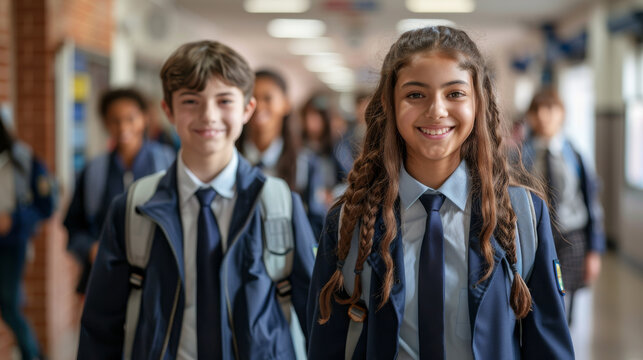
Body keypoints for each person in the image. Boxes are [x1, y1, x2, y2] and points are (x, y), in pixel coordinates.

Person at [306, 26, 574, 359]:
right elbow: (326, 344)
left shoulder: (521, 214)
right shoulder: (351, 218)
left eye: (455, 93)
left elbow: (549, 345)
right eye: (415, 94)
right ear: (390, 104)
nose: (436, 110)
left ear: (478, 102)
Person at [78, 40, 316, 359]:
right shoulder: (134, 208)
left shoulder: (277, 203)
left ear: (247, 109)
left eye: (224, 100)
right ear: (168, 110)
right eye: (191, 101)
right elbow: (100, 326)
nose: (208, 116)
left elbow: (315, 315)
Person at [64, 88, 175, 294]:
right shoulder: (94, 171)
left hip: (157, 279)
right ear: (105, 123)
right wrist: (90, 248)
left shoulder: (169, 164)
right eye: (115, 120)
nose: (123, 127)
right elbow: (73, 223)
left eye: (130, 118)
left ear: (144, 118)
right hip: (105, 278)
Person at [522, 87, 605, 324]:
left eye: (549, 109)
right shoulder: (521, 155)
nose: (543, 115)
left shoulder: (574, 155)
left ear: (561, 113)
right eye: (536, 110)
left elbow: (592, 205)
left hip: (571, 236)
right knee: (538, 299)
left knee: (563, 299)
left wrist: (594, 251)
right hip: (536, 237)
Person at [237, 69, 326, 236]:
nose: (258, 106)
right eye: (251, 98)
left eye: (267, 98)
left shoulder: (304, 163)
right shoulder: (230, 159)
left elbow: (316, 223)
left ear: (286, 104)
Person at [0, 116, 56, 360]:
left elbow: (47, 205)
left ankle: (31, 355)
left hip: (12, 244)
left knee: (10, 306)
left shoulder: (24, 160)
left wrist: (14, 220)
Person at [301, 94, 349, 207]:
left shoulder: (337, 148)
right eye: (308, 115)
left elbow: (350, 181)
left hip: (327, 209)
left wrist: (333, 194)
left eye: (317, 115)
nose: (311, 120)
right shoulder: (298, 147)